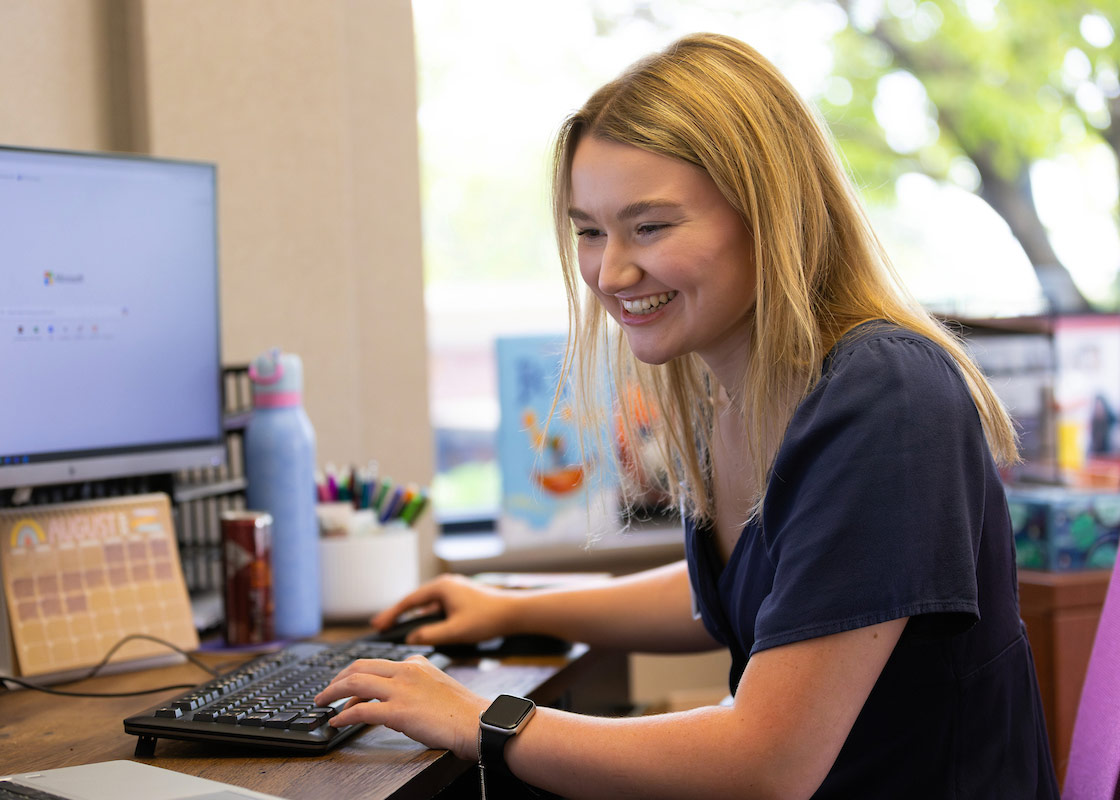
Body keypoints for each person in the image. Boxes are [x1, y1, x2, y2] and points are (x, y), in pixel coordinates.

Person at [315, 33, 1059, 799]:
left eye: (651, 227)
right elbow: (756, 586)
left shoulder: (886, 396)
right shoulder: (736, 393)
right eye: (590, 230)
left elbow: (767, 762)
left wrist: (482, 721)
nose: (611, 272)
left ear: (769, 215)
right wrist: (507, 605)